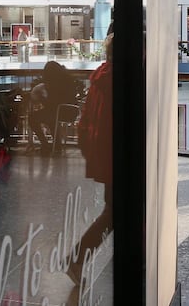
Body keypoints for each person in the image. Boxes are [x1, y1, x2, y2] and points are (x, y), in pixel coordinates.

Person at [69, 33, 114, 303]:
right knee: (115, 213)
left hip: (105, 153)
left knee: (116, 211)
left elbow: (87, 117)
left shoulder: (101, 76)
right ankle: (76, 258)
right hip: (117, 154)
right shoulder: (119, 80)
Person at [28, 61, 79, 155]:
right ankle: (57, 145)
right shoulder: (67, 79)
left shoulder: (55, 84)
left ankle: (45, 144)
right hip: (72, 110)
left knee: (32, 118)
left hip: (61, 111)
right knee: (50, 117)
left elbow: (52, 103)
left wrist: (41, 98)